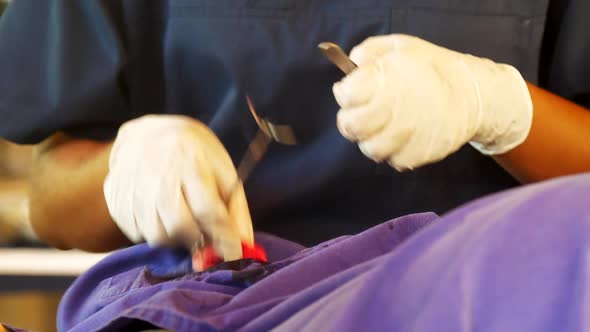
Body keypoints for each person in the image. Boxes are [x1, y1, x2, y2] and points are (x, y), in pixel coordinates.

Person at [0, 0, 588, 264]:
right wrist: (126, 172)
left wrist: (501, 108)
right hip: (216, 304)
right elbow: (51, 200)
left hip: (486, 302)